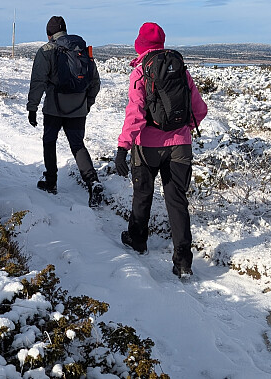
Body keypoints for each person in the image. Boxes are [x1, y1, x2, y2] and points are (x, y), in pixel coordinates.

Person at [114, 22, 207, 278]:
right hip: (180, 145)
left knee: (142, 193)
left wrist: (123, 147)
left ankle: (137, 240)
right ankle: (183, 262)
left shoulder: (141, 71)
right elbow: (200, 110)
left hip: (147, 146)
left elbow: (135, 113)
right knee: (177, 201)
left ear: (140, 45)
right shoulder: (180, 69)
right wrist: (183, 129)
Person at [26, 16, 103, 206]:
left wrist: (32, 107)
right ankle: (92, 181)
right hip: (78, 108)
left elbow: (38, 82)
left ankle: (51, 182)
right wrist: (87, 103)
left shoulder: (46, 51)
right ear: (65, 31)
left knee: (49, 141)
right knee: (77, 144)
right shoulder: (81, 49)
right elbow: (95, 82)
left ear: (48, 34)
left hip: (54, 107)